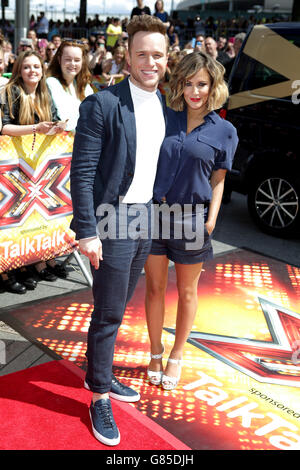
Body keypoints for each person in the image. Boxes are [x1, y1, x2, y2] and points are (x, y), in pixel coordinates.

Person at [70, 14, 168, 446]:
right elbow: (83, 171)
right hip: (113, 220)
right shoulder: (102, 104)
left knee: (120, 304)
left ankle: (102, 374)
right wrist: (88, 231)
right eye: (142, 54)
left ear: (167, 58)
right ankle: (98, 396)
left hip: (145, 215)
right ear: (126, 57)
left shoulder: (164, 101)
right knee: (109, 311)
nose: (151, 62)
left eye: (158, 55)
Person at [144, 52, 238, 391]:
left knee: (186, 292)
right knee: (154, 288)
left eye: (202, 84)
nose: (194, 91)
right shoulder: (165, 118)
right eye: (188, 83)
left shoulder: (225, 130)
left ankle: (177, 355)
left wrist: (211, 221)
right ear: (180, 84)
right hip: (155, 216)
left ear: (213, 86)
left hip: (193, 221)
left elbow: (219, 179)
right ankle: (155, 351)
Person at [0, 50, 64, 291]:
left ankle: (31, 263)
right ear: (19, 70)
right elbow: (4, 127)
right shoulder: (10, 91)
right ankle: (8, 271)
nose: (32, 71)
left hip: (40, 165)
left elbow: (55, 118)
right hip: (13, 164)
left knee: (33, 219)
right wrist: (36, 128)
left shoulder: (45, 91)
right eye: (26, 67)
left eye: (36, 66)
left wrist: (57, 127)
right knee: (11, 218)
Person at [46, 40, 93, 132]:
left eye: (77, 60)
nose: (72, 64)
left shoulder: (86, 87)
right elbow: (64, 120)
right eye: (68, 59)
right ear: (59, 60)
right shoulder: (51, 83)